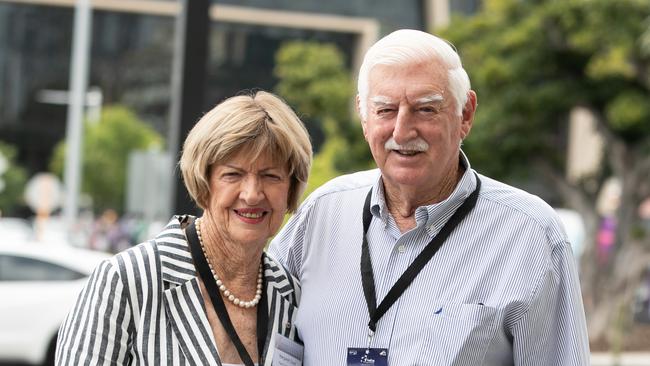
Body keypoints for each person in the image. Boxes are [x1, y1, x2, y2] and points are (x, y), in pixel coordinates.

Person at [269, 29, 590, 365]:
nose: (402, 131)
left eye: (425, 109)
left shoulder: (531, 236)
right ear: (364, 117)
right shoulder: (321, 215)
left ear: (465, 114)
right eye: (386, 110)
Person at [56, 91, 312, 366]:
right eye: (233, 174)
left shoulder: (291, 295)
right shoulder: (128, 280)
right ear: (205, 183)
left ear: (290, 188)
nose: (252, 194)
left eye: (270, 176)